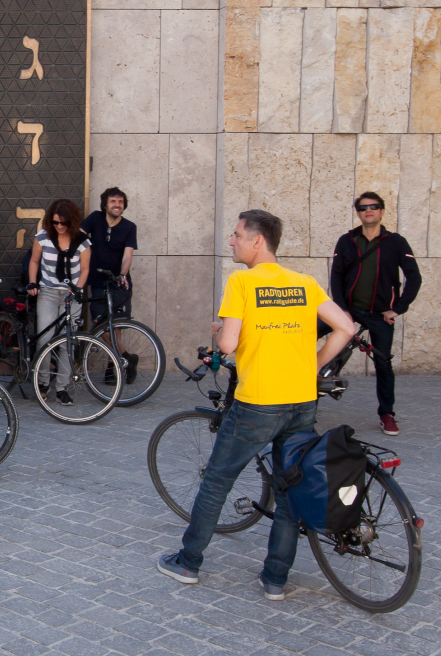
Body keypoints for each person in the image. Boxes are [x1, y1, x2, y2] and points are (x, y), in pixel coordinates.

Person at [156, 209, 354, 601]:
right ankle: (275, 579)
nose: (231, 241)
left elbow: (228, 346)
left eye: (236, 235)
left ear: (257, 241)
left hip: (259, 401)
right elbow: (345, 327)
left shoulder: (241, 281)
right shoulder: (304, 283)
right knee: (288, 490)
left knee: (216, 481)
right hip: (301, 401)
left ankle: (189, 562)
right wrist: (312, 365)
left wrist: (218, 330)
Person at [321, 192, 422, 436]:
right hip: (349, 309)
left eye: (374, 207)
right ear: (358, 213)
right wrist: (342, 309)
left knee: (383, 363)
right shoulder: (347, 240)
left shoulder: (396, 242)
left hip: (379, 314)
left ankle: (387, 414)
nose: (369, 210)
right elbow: (336, 275)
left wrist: (397, 309)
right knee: (308, 331)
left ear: (382, 211)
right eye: (364, 207)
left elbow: (414, 277)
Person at [27, 199, 91, 406]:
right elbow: (34, 261)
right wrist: (32, 282)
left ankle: (62, 388)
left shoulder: (82, 240)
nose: (59, 227)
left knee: (67, 342)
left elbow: (85, 269)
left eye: (63, 223)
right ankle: (43, 383)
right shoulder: (43, 237)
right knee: (45, 339)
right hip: (48, 292)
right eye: (55, 223)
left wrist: (78, 290)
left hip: (71, 294)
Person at [81, 187, 138, 384]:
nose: (117, 205)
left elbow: (127, 255)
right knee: (101, 326)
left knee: (117, 327)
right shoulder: (95, 219)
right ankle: (127, 358)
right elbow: (79, 235)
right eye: (113, 201)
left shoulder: (129, 227)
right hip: (97, 282)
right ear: (105, 204)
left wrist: (122, 275)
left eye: (120, 202)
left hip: (118, 284)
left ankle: (112, 368)